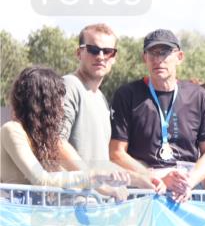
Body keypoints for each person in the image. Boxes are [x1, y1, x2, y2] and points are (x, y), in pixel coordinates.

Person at [110, 29, 205, 200]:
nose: (158, 59)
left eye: (165, 52)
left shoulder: (198, 96)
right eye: (152, 53)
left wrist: (188, 182)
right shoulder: (127, 94)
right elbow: (116, 153)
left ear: (180, 57)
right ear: (144, 58)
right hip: (145, 192)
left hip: (187, 192)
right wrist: (154, 178)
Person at [1, 66, 127, 197]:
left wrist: (109, 189)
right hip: (16, 216)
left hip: (34, 215)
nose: (61, 105)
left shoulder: (41, 138)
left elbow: (63, 177)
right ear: (43, 102)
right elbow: (42, 180)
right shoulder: (12, 130)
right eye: (57, 98)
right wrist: (93, 174)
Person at [59, 23, 118, 167]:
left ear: (114, 57)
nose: (101, 56)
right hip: (73, 189)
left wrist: (145, 178)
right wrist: (92, 177)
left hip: (97, 188)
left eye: (108, 51)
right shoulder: (69, 85)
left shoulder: (101, 98)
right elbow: (56, 142)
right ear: (78, 53)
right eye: (93, 50)